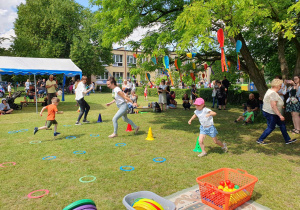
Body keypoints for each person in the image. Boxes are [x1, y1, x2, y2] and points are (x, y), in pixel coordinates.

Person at [257, 79, 297, 145]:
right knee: (271, 127)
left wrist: (280, 106)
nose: (281, 87)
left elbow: (272, 103)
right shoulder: (273, 93)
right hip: (271, 113)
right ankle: (260, 139)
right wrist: (280, 115)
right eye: (280, 86)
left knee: (282, 125)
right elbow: (273, 106)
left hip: (273, 112)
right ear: (277, 85)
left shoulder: (270, 91)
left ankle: (287, 140)